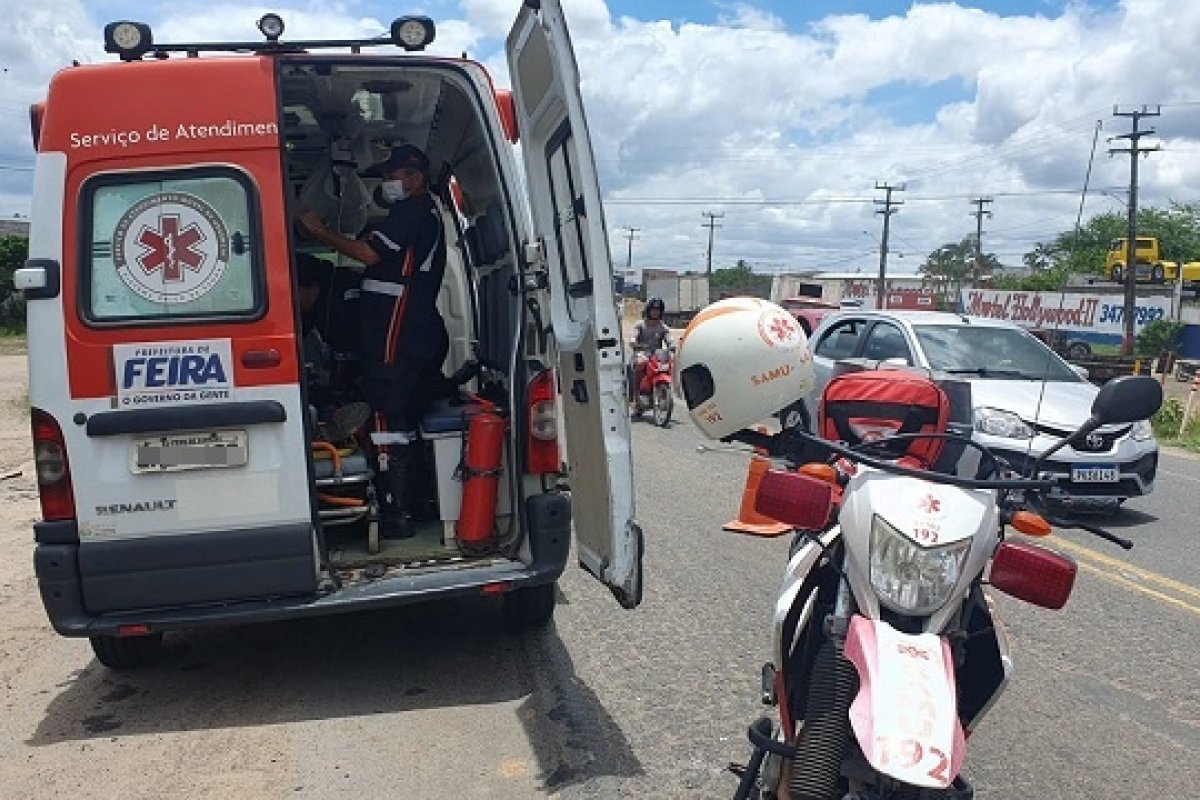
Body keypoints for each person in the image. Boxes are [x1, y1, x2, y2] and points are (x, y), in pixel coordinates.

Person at [296, 144, 447, 539]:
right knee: (397, 415)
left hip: (398, 330)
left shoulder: (413, 212)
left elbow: (368, 254)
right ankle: (414, 503)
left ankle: (397, 514)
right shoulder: (411, 214)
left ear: (413, 177)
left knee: (385, 411)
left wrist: (320, 231)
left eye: (390, 175)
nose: (385, 183)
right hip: (403, 328)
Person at [628, 296, 674, 403]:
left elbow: (669, 339)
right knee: (641, 363)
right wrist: (634, 342)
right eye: (653, 310)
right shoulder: (640, 325)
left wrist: (673, 346)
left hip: (656, 356)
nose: (655, 312)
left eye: (658, 310)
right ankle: (636, 396)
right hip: (641, 353)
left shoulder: (663, 327)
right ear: (648, 310)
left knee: (670, 364)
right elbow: (633, 337)